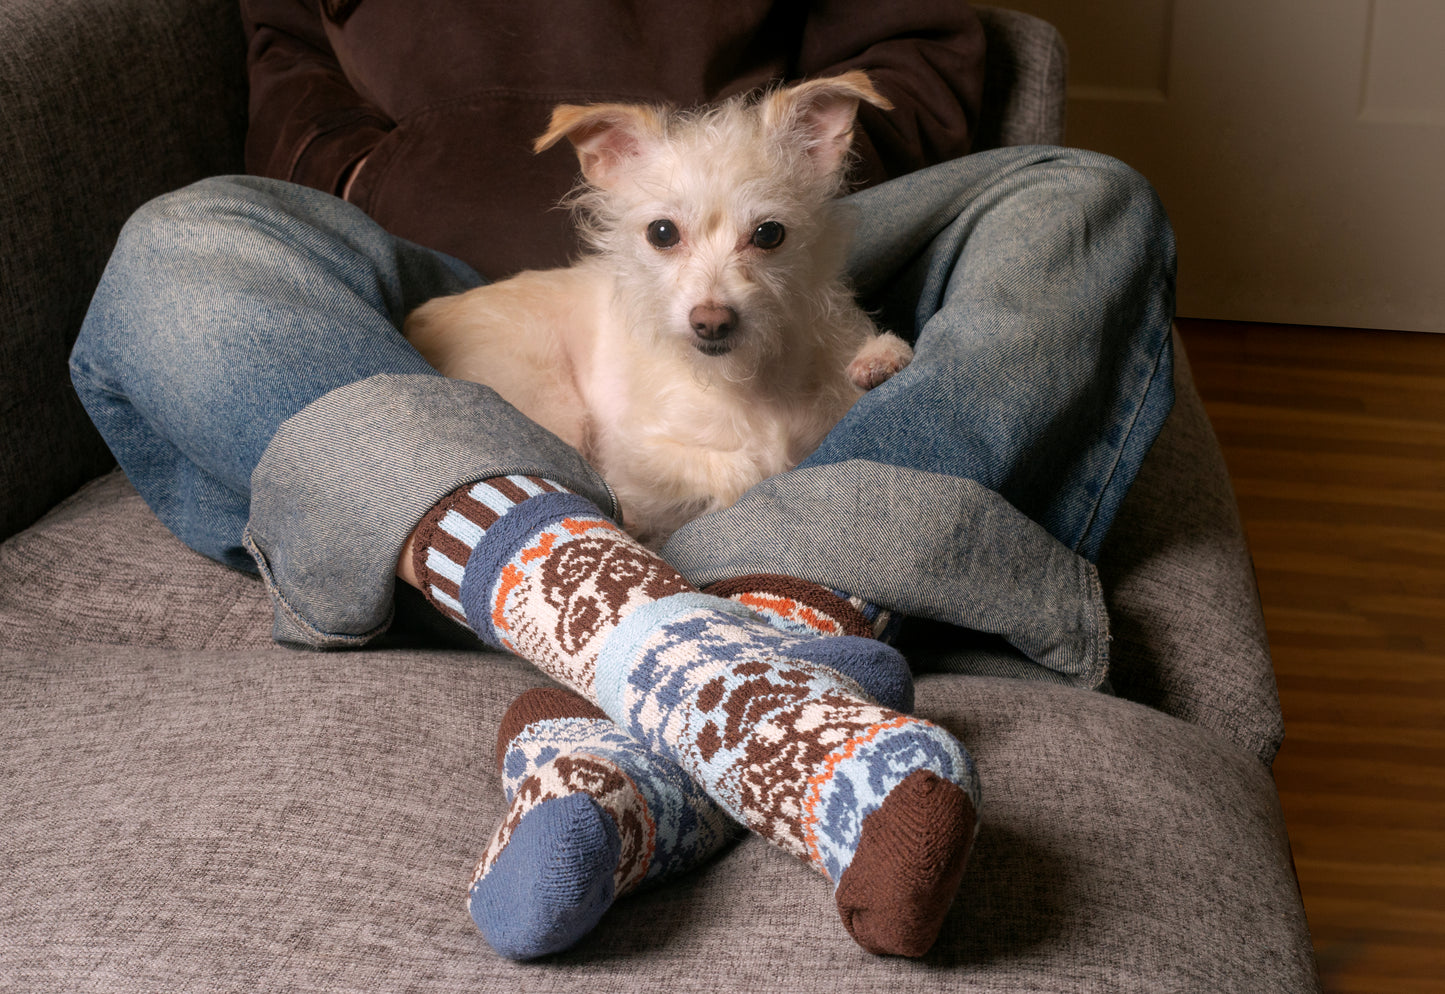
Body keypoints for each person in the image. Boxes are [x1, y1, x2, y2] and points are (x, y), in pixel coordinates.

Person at [67, 0, 1176, 962]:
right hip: (411, 269)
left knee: (1085, 200)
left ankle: (593, 629)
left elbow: (908, 51)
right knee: (180, 240)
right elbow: (288, 63)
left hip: (790, 227)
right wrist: (375, 172)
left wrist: (776, 175)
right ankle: (755, 643)